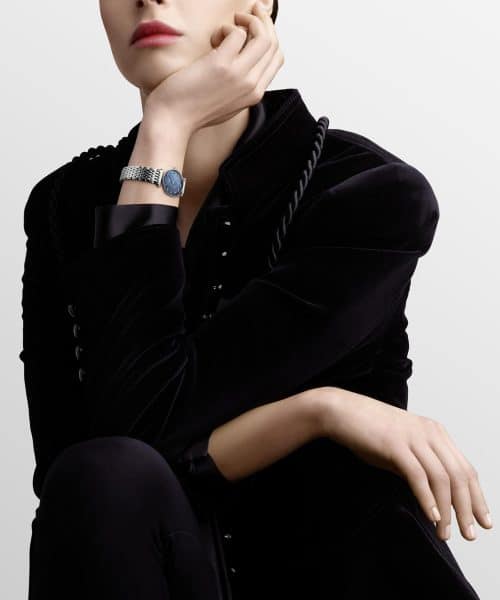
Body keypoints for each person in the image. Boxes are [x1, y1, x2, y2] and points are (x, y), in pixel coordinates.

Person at [20, 1, 491, 598]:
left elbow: (146, 429)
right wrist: (319, 412)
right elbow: (76, 474)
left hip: (341, 582)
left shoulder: (367, 193)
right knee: (98, 475)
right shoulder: (63, 206)